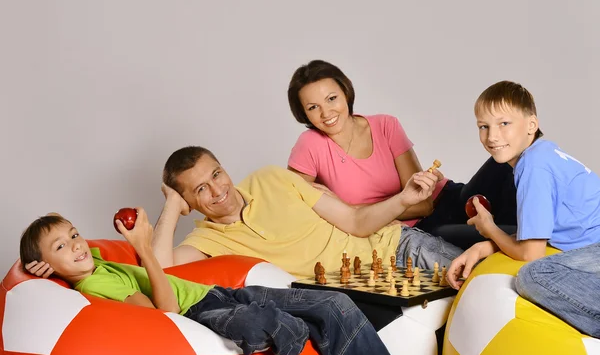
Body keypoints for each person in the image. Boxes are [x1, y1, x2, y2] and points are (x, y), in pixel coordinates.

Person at [20, 212, 450, 355]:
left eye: (75, 234)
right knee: (294, 329)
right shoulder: (97, 287)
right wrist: (145, 249)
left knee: (334, 304)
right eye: (63, 245)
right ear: (52, 262)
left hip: (217, 292)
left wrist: (40, 265)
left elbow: (75, 254)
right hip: (200, 310)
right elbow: (163, 314)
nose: (76, 245)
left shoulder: (90, 261)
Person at [286, 59, 519, 249]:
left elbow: (423, 202)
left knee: (510, 163)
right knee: (508, 236)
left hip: (448, 199)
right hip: (419, 231)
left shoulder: (386, 125)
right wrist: (354, 217)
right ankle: (532, 248)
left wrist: (352, 211)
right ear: (304, 114)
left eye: (331, 99)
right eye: (313, 107)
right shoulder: (309, 145)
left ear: (345, 92)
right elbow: (292, 205)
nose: (326, 112)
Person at [152, 146, 463, 278]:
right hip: (356, 290)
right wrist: (169, 203)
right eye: (200, 189)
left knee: (485, 283)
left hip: (396, 247)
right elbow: (162, 271)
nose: (217, 190)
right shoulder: (206, 241)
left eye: (216, 174)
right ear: (187, 203)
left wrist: (405, 199)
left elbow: (355, 222)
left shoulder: (270, 177)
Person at [447, 80, 600, 339]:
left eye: (504, 124)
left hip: (594, 249)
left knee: (533, 275)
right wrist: (482, 246)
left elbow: (531, 253)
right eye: (483, 127)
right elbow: (538, 233)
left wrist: (489, 229)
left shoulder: (534, 166)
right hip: (589, 247)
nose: (492, 137)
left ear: (532, 125)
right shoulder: (543, 151)